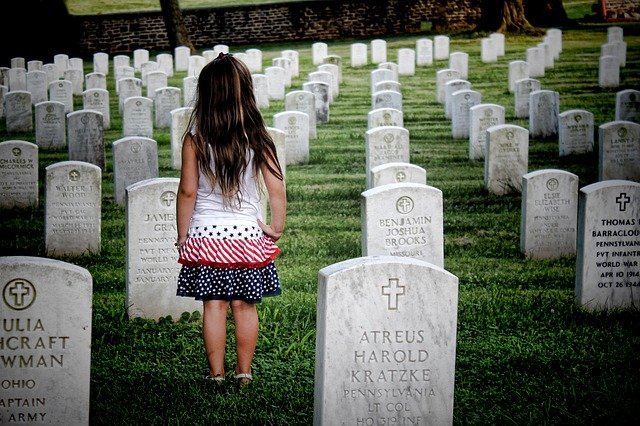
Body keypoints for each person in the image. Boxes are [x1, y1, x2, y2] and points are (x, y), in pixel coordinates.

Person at [175, 52, 286, 387]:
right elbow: (276, 188)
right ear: (246, 92)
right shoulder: (258, 137)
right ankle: (244, 373)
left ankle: (216, 374)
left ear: (206, 94)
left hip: (207, 237)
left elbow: (188, 192)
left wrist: (183, 236)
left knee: (214, 306)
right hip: (248, 238)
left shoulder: (195, 139)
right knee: (244, 305)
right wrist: (276, 226)